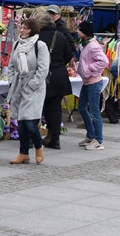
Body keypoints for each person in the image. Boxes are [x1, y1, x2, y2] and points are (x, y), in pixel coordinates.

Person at [7, 16, 50, 165]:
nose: (22, 30)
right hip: (19, 85)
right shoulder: (17, 44)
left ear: (32, 30)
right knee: (21, 122)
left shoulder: (40, 45)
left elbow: (43, 69)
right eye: (22, 27)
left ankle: (39, 147)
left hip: (34, 88)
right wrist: (12, 80)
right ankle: (23, 153)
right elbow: (11, 65)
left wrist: (32, 84)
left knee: (30, 121)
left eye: (26, 28)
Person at [37, 11, 74, 150]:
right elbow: (68, 55)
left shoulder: (37, 37)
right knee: (55, 108)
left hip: (43, 76)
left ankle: (35, 137)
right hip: (59, 74)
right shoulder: (60, 36)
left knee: (39, 107)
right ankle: (54, 138)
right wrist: (57, 64)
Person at [76, 21, 108, 150]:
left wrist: (88, 69)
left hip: (94, 81)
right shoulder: (85, 44)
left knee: (94, 111)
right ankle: (90, 135)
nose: (77, 31)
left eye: (79, 29)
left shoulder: (92, 46)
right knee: (82, 108)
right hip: (87, 81)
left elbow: (104, 61)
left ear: (85, 32)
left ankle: (98, 140)